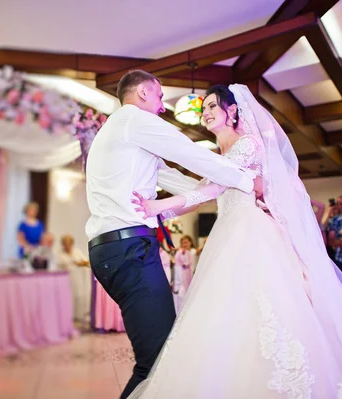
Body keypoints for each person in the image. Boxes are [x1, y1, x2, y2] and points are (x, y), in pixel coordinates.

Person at [128, 84, 342, 398]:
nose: (206, 113)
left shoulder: (248, 144)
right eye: (205, 108)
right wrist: (159, 181)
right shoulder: (219, 154)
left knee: (268, 309)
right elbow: (202, 192)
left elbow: (214, 188)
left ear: (232, 110)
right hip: (227, 232)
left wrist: (161, 205)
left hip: (249, 231)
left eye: (213, 106)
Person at [85, 71, 260, 399]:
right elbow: (189, 152)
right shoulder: (134, 121)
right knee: (157, 362)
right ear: (141, 93)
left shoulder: (119, 133)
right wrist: (246, 182)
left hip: (114, 249)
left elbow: (177, 180)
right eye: (160, 97)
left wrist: (212, 190)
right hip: (129, 249)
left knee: (162, 353)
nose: (163, 107)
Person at [58, 235, 91, 324]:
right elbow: (60, 266)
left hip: (79, 279)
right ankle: (69, 316)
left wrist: (81, 263)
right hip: (67, 280)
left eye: (69, 243)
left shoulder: (77, 251)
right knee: (69, 298)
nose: (67, 245)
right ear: (62, 244)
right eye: (65, 244)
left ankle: (79, 315)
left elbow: (85, 261)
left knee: (80, 296)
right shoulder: (60, 254)